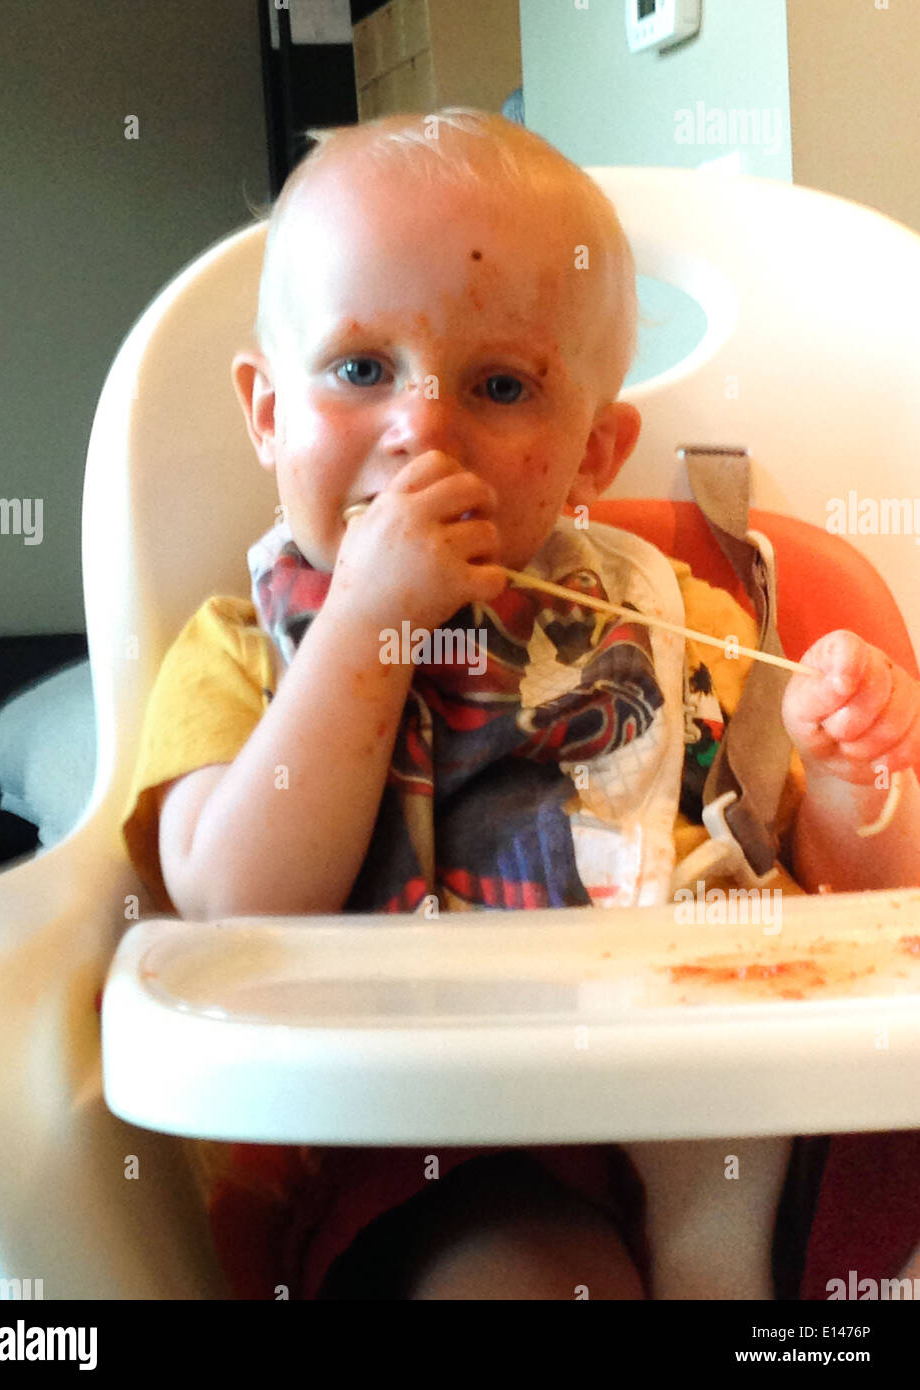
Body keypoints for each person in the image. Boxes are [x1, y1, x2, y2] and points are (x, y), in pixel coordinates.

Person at [120, 109, 920, 1300]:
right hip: (448, 1139)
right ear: (268, 411)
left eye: (498, 385)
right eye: (358, 369)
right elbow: (231, 903)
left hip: (749, 1091)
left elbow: (861, 898)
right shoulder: (250, 652)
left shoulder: (668, 621)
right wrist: (363, 627)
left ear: (593, 455)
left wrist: (858, 773)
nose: (418, 429)